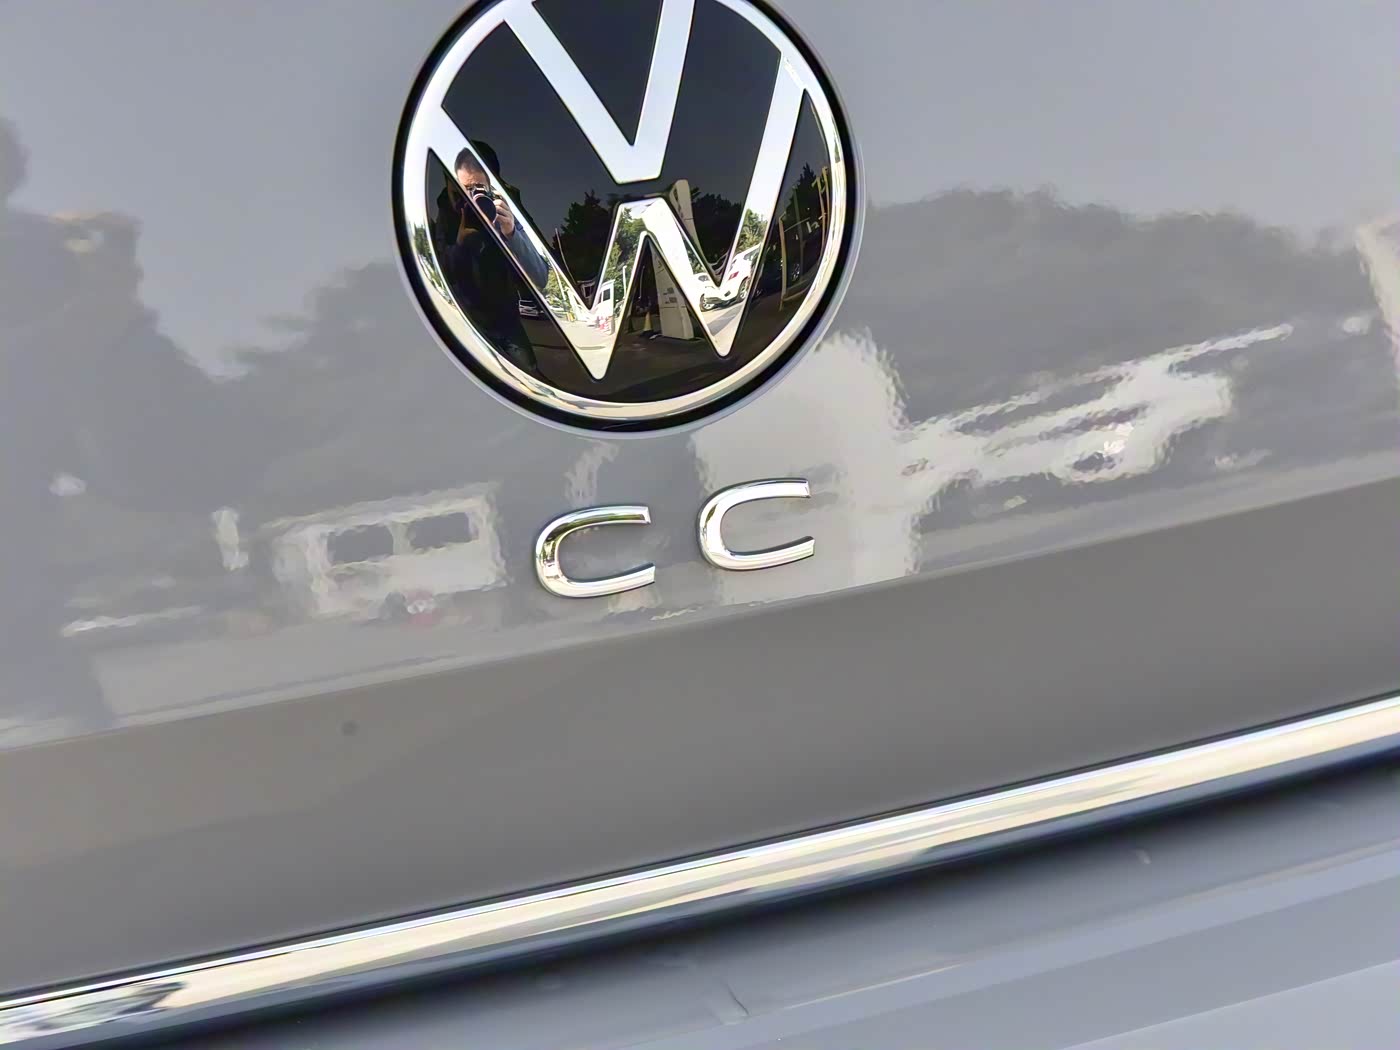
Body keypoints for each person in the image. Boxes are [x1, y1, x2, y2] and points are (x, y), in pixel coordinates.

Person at [434, 146, 549, 373]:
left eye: (478, 190)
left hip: (506, 320)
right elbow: (438, 276)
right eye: (462, 191)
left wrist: (511, 234)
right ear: (449, 186)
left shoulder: (506, 214)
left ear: (492, 188)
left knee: (530, 374)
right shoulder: (445, 217)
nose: (471, 201)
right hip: (465, 321)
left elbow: (540, 276)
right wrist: (460, 245)